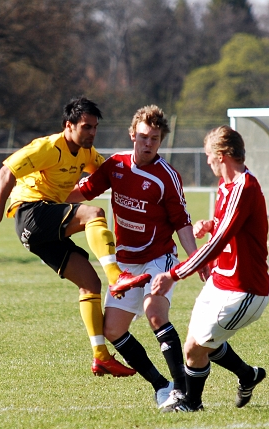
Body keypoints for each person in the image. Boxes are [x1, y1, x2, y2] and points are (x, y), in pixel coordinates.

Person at [0, 97, 150, 377]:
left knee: (89, 284)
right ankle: (116, 275)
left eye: (95, 127)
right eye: (86, 127)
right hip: (30, 212)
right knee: (93, 213)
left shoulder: (86, 152)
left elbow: (109, 172)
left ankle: (100, 356)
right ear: (68, 125)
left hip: (42, 226)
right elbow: (5, 172)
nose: (92, 133)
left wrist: (144, 173)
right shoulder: (47, 147)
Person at [71, 104, 205, 408]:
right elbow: (85, 191)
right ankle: (162, 387)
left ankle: (185, 395)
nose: (148, 144)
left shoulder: (167, 176)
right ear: (133, 134)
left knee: (155, 314)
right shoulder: (115, 166)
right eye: (144, 137)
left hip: (159, 257)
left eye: (154, 139)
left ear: (160, 141)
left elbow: (182, 222)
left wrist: (195, 259)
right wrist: (43, 196)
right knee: (112, 330)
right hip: (126, 264)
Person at [152, 125, 269, 413]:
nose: (207, 161)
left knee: (195, 348)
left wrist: (173, 274)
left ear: (221, 155)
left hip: (245, 290)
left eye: (208, 155)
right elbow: (227, 229)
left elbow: (218, 244)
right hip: (221, 281)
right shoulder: (226, 186)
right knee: (199, 342)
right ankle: (247, 375)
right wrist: (210, 224)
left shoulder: (245, 188)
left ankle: (192, 403)